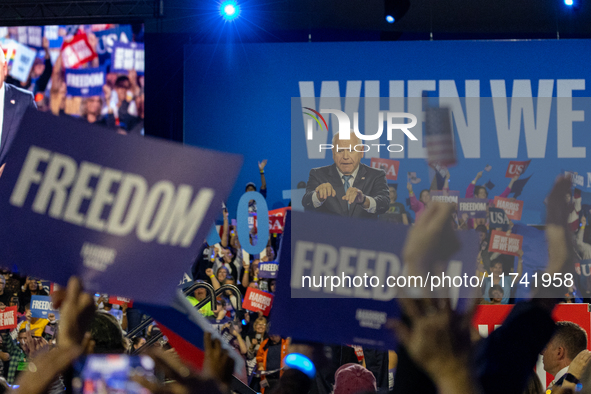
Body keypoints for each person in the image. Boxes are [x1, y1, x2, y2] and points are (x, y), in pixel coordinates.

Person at [302, 133, 389, 218]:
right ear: (333, 152)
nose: (345, 156)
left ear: (361, 151)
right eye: (340, 151)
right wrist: (318, 196)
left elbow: (384, 204)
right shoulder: (318, 174)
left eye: (351, 150)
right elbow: (306, 202)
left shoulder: (376, 175)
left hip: (364, 232)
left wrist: (364, 200)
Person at [0, 45, 37, 171]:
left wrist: (10, 166)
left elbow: (37, 139)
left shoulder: (24, 100)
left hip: (12, 182)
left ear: (5, 68)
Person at [541, 321, 588, 390]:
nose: (541, 353)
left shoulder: (568, 387)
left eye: (545, 347)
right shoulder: (585, 384)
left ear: (559, 352)